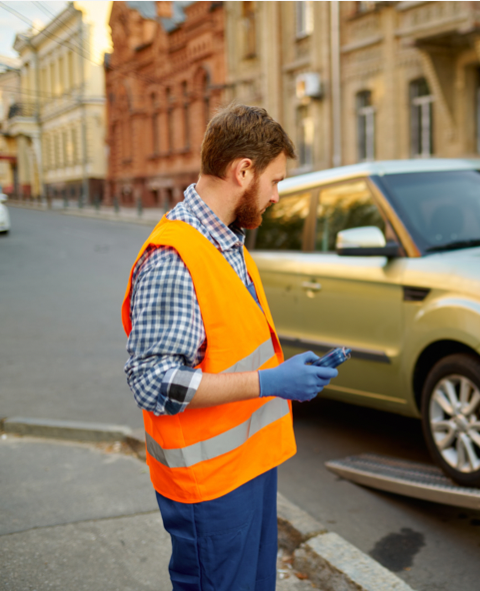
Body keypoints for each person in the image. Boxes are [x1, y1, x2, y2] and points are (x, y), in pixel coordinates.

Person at [122, 104, 339, 590]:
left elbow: (232, 344)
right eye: (276, 181)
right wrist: (270, 382)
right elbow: (151, 381)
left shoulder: (227, 241)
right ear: (244, 171)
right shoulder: (175, 257)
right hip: (209, 489)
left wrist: (288, 375)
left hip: (249, 471)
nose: (277, 195)